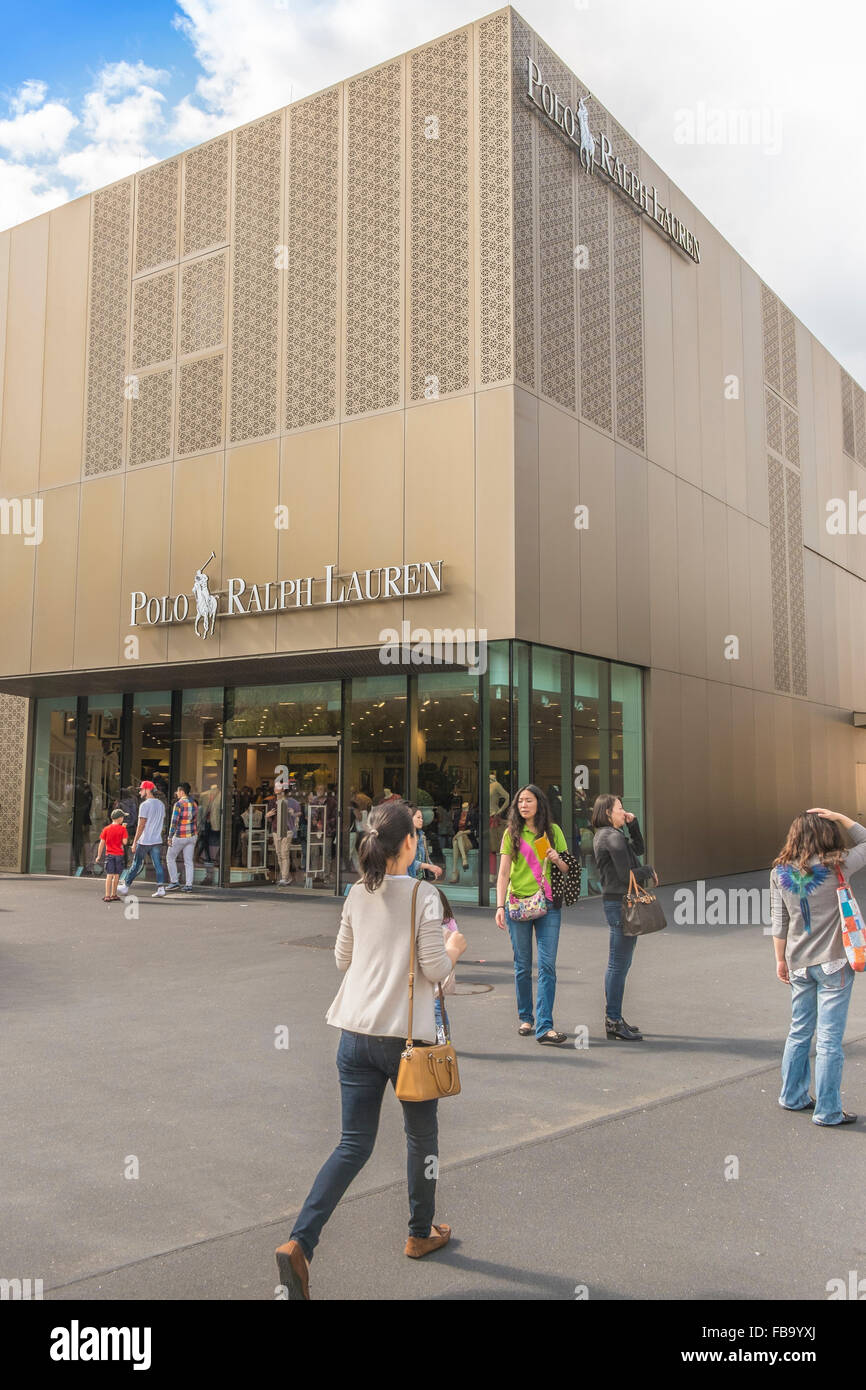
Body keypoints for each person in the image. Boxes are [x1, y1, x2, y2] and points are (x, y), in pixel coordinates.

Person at [274, 800, 467, 1300]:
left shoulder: (357, 892)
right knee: (420, 1139)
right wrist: (454, 951)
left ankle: (300, 1242)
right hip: (408, 1040)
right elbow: (433, 970)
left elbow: (343, 959)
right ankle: (419, 1233)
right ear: (409, 843)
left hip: (354, 1034)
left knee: (352, 1145)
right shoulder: (424, 894)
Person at [771, 807, 866, 1126]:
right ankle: (827, 1110)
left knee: (799, 1030)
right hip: (834, 963)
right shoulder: (837, 864)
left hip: (799, 963)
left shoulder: (780, 872)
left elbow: (779, 920)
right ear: (826, 835)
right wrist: (841, 817)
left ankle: (792, 1095)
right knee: (828, 1039)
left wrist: (780, 960)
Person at [495, 784, 571, 1045]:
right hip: (517, 904)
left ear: (539, 803)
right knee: (522, 966)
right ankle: (526, 1017)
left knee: (547, 966)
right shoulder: (511, 834)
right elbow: (503, 873)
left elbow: (566, 868)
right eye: (520, 802)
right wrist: (499, 906)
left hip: (547, 905)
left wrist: (554, 856)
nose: (523, 805)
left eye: (528, 800)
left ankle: (545, 1026)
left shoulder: (553, 832)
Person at [591, 794, 651, 1041]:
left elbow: (638, 849)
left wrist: (632, 824)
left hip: (617, 902)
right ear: (607, 812)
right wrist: (649, 871)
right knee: (618, 964)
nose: (623, 811)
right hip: (620, 903)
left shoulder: (609, 835)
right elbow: (626, 876)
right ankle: (613, 1020)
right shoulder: (611, 837)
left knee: (620, 963)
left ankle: (615, 1017)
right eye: (619, 808)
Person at [117, 781, 167, 898]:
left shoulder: (144, 805)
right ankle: (160, 888)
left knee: (136, 864)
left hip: (145, 840)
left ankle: (126, 886)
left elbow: (141, 825)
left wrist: (134, 842)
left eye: (141, 789)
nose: (139, 792)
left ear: (147, 790)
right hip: (156, 839)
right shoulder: (161, 804)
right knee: (157, 864)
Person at [267, 780, 301, 885]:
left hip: (287, 829)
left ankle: (285, 877)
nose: (277, 790)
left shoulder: (291, 801)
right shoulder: (272, 802)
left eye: (279, 787)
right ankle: (286, 876)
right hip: (275, 830)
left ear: (283, 790)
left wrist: (293, 813)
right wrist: (267, 816)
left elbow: (299, 813)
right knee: (278, 854)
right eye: (275, 787)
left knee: (284, 853)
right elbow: (269, 818)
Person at [166, 784, 197, 893]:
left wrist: (170, 836)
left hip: (180, 835)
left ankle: (174, 882)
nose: (176, 793)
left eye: (178, 791)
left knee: (170, 857)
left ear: (182, 792)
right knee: (188, 861)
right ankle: (189, 885)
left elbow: (174, 822)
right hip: (192, 835)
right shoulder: (194, 803)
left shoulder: (178, 804)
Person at [95, 808, 128, 903]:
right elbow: (125, 842)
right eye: (123, 817)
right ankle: (114, 894)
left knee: (109, 875)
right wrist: (124, 830)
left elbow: (102, 843)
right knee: (116, 875)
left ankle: (107, 895)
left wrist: (98, 855)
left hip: (109, 854)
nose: (123, 819)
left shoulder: (106, 829)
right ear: (119, 818)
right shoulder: (122, 829)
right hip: (119, 855)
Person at [407, 803, 443, 881]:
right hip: (409, 878)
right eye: (418, 817)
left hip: (420, 878)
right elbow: (408, 862)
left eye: (422, 818)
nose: (421, 820)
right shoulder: (405, 838)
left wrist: (433, 868)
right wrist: (429, 867)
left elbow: (426, 856)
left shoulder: (421, 836)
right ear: (409, 818)